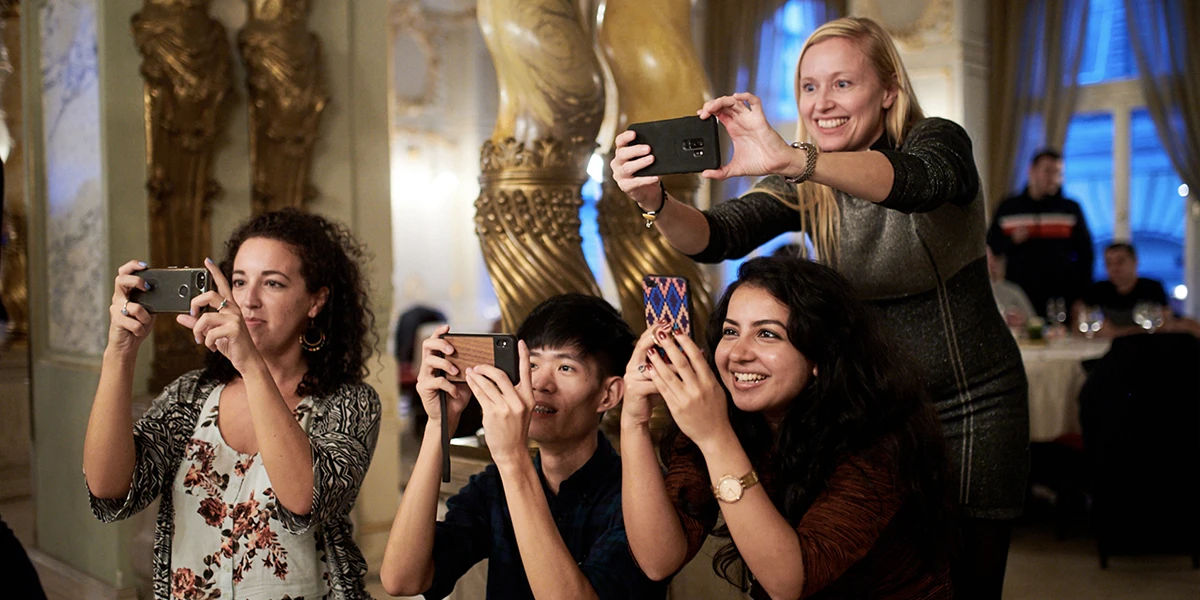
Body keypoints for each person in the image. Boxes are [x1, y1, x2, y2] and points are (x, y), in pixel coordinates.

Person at [611, 16, 1026, 599]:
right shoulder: (805, 172)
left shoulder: (936, 141)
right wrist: (654, 201)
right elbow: (716, 236)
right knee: (849, 565)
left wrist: (792, 160)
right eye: (809, 86)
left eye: (842, 84)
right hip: (869, 409)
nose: (822, 103)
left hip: (969, 406)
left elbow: (918, 182)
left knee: (959, 578)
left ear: (889, 91)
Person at [83, 209, 380, 599]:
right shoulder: (191, 396)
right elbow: (108, 488)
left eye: (272, 283)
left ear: (316, 301)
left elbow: (305, 500)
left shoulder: (350, 402)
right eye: (239, 281)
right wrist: (119, 353)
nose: (248, 300)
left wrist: (251, 365)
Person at [621, 256, 952, 598]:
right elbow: (658, 560)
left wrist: (715, 438)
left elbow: (789, 583)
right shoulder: (729, 417)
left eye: (767, 334)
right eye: (731, 332)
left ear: (819, 355)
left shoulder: (878, 441)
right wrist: (634, 422)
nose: (738, 354)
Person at [380, 294, 666, 599]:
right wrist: (439, 424)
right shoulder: (494, 486)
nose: (540, 383)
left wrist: (512, 459)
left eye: (565, 368)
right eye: (531, 364)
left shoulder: (638, 495)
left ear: (608, 395)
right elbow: (401, 580)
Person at [987, 148, 1094, 316]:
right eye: (1048, 171)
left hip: (1061, 296)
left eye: (1058, 173)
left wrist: (1082, 296)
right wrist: (1012, 241)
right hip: (1020, 293)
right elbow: (992, 246)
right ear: (1031, 171)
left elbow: (1086, 255)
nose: (1053, 178)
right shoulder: (1009, 207)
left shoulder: (1070, 209)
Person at [1079, 242, 1200, 338]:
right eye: (1109, 263)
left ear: (1135, 262)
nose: (1114, 268)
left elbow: (1164, 324)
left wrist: (1116, 332)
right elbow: (1080, 324)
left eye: (1120, 262)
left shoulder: (1151, 288)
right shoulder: (1098, 290)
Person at [987, 246, 1036, 329]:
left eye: (991, 259)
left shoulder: (1011, 291)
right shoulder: (971, 296)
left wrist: (1023, 321)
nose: (991, 263)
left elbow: (1034, 322)